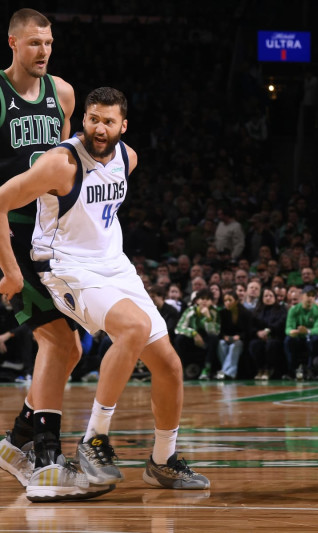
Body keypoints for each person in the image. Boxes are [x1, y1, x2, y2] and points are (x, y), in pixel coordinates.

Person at [0, 87, 209, 498]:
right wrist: (9, 265)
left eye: (108, 121)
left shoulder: (128, 158)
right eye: (93, 118)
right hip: (66, 269)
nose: (99, 128)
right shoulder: (60, 163)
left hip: (114, 267)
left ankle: (162, 460)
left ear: (123, 126)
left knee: (169, 364)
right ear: (84, 120)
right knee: (130, 328)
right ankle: (93, 441)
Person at [0, 9, 103, 502]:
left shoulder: (62, 93)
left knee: (72, 348)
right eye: (35, 43)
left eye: (50, 42)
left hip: (51, 234)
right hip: (9, 232)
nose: (43, 50)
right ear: (13, 44)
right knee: (57, 344)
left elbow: (68, 161)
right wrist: (7, 265)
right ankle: (45, 458)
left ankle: (15, 440)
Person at [174, 288, 221, 380]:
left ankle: (206, 369)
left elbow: (215, 332)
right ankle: (180, 369)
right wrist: (194, 333)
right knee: (179, 339)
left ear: (211, 302)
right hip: (192, 339)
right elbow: (178, 328)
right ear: (197, 300)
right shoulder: (190, 310)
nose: (204, 301)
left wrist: (208, 318)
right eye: (202, 298)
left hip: (206, 339)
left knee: (213, 339)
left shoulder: (215, 312)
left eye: (207, 299)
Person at [284, 285, 318, 379]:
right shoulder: (294, 310)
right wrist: (292, 331)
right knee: (289, 340)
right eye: (308, 295)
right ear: (302, 296)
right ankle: (292, 370)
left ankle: (311, 370)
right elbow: (288, 328)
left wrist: (307, 331)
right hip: (298, 337)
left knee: (316, 339)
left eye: (313, 296)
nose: (310, 298)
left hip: (310, 336)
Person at [248, 287, 287, 380]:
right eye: (266, 296)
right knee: (254, 345)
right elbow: (251, 326)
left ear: (275, 297)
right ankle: (260, 369)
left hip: (275, 336)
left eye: (271, 296)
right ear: (262, 298)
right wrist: (257, 333)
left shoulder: (281, 310)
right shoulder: (256, 311)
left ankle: (269, 369)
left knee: (271, 344)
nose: (268, 298)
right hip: (259, 337)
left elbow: (281, 323)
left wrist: (268, 330)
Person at [216, 289, 253, 380]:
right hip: (226, 339)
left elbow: (249, 331)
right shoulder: (222, 313)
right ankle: (228, 372)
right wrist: (224, 336)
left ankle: (226, 372)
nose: (227, 303)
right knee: (221, 344)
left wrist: (239, 336)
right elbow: (219, 330)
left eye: (230, 300)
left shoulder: (245, 313)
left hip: (240, 340)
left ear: (236, 301)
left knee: (235, 346)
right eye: (225, 301)